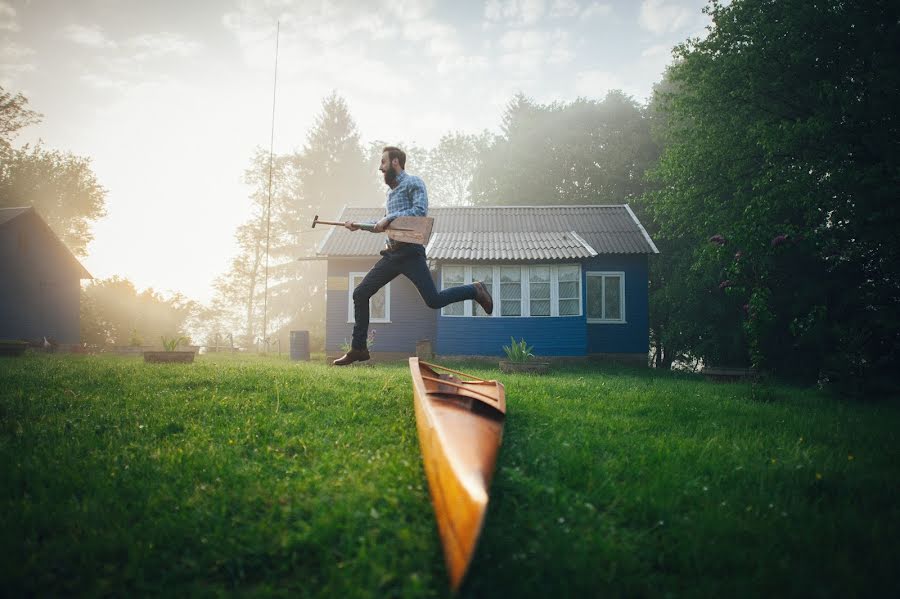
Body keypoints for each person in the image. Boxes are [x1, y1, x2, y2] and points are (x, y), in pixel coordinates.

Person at [333, 146, 493, 366]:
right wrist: (358, 226)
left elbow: (420, 211)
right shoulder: (389, 194)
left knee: (433, 300)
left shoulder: (414, 183)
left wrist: (389, 218)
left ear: (396, 162)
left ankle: (475, 290)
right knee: (360, 293)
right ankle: (358, 348)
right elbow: (383, 225)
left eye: (383, 162)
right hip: (392, 254)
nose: (380, 168)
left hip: (410, 252)